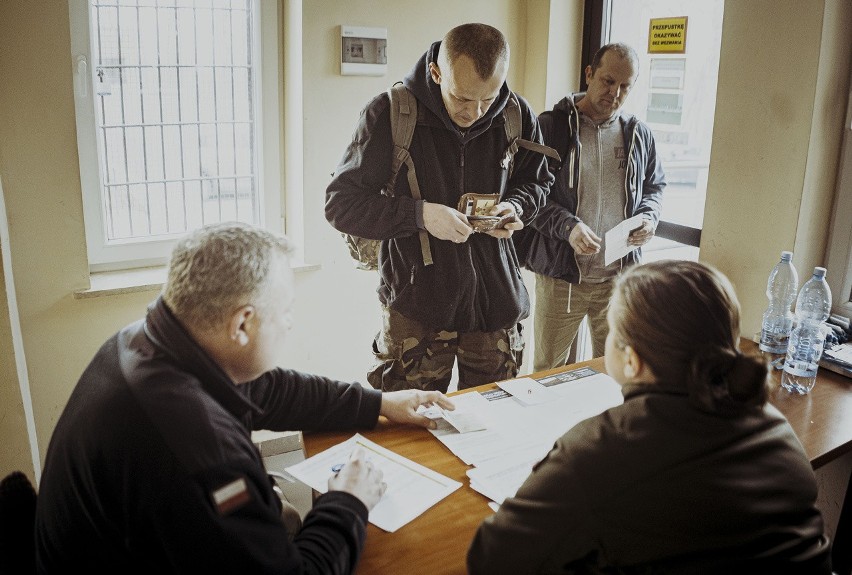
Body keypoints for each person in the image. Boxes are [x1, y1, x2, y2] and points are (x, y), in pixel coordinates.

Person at [34, 222, 455, 574]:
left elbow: (264, 388)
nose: (290, 323)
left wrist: (377, 403)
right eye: (285, 310)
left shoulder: (147, 339)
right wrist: (348, 500)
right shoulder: (201, 452)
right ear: (242, 324)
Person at [467, 260, 832, 574]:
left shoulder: (604, 449)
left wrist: (548, 477)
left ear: (631, 359)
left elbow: (491, 559)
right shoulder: (772, 424)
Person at [326, 23, 553, 393]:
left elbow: (538, 181)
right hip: (418, 313)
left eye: (488, 98)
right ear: (436, 72)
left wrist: (516, 207)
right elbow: (341, 204)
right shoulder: (389, 114)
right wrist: (420, 216)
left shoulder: (515, 113)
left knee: (491, 430)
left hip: (495, 307)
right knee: (412, 437)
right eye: (463, 98)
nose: (476, 112)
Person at [514, 42, 665, 371]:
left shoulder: (639, 135)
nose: (615, 93)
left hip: (618, 278)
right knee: (547, 373)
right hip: (562, 278)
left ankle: (601, 425)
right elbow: (528, 197)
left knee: (615, 371)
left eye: (625, 86)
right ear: (589, 74)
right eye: (608, 81)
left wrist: (650, 218)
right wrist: (568, 227)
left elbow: (655, 186)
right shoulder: (550, 127)